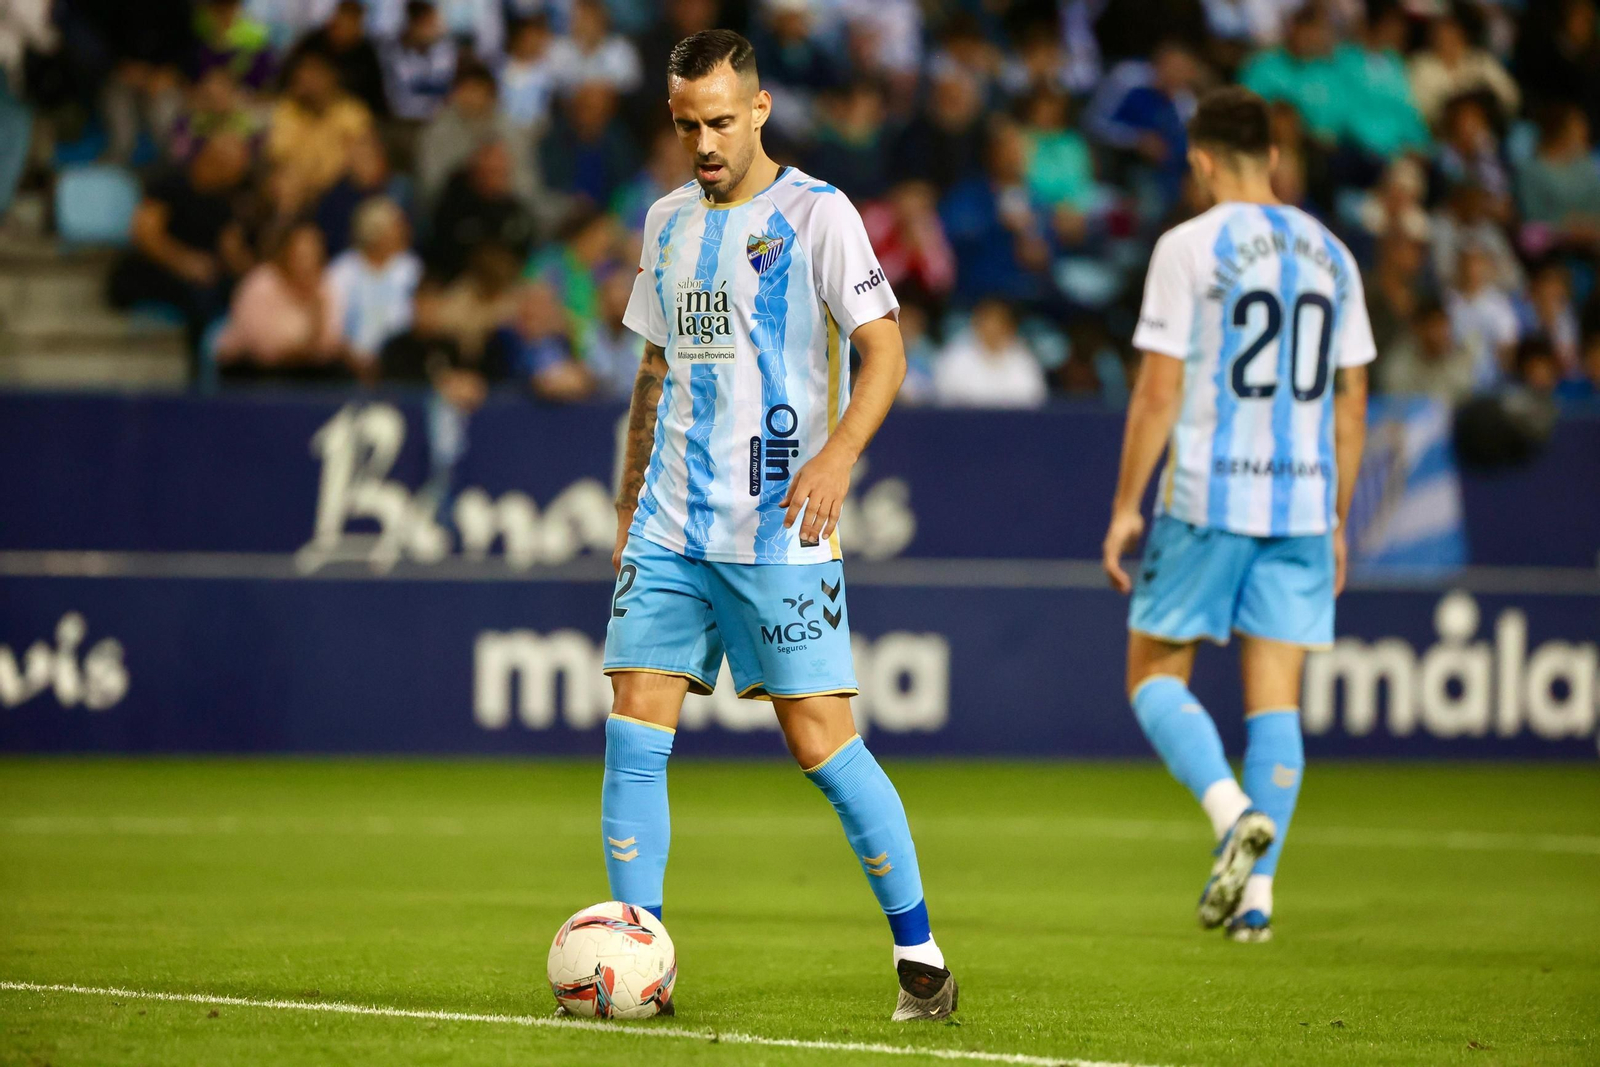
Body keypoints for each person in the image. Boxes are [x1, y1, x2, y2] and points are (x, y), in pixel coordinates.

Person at [603, 29, 957, 1021]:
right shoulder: (665, 221)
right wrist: (632, 496)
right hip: (670, 522)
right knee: (634, 726)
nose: (704, 141)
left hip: (777, 525)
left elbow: (884, 351)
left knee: (822, 742)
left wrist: (839, 452)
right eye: (687, 125)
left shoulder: (819, 215)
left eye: (720, 120)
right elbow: (654, 368)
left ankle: (920, 953)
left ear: (758, 109)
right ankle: (639, 960)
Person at [1102, 88, 1374, 944]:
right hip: (1299, 500)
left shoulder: (1189, 246)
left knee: (1152, 677)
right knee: (1276, 703)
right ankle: (1257, 900)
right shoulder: (1333, 252)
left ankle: (1230, 816)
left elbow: (1156, 388)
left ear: (1203, 161)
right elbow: (1353, 401)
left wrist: (1122, 507)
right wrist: (1336, 517)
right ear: (1279, 159)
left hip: (1208, 494)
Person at [107, 134, 256, 369]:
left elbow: (231, 249)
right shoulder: (170, 181)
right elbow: (144, 234)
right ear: (214, 160)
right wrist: (185, 263)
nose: (239, 175)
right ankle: (198, 375)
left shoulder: (225, 200)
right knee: (202, 297)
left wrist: (259, 277)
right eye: (235, 167)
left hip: (200, 274)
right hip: (152, 268)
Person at [215, 222, 348, 380]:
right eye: (300, 255)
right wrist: (309, 342)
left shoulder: (326, 286)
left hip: (305, 368)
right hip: (252, 369)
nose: (307, 263)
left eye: (313, 254)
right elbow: (265, 349)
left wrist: (316, 320)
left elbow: (329, 344)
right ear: (285, 254)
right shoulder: (261, 283)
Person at [325, 197, 423, 373]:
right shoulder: (343, 270)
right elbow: (331, 320)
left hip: (401, 365)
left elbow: (420, 315)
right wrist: (353, 358)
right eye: (396, 227)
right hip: (346, 365)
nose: (404, 232)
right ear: (375, 232)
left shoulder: (411, 268)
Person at [932, 298, 1048, 408]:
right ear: (975, 322)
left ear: (1010, 326)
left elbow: (1033, 397)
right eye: (987, 320)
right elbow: (945, 398)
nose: (992, 327)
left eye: (999, 321)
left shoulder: (1023, 358)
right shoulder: (955, 356)